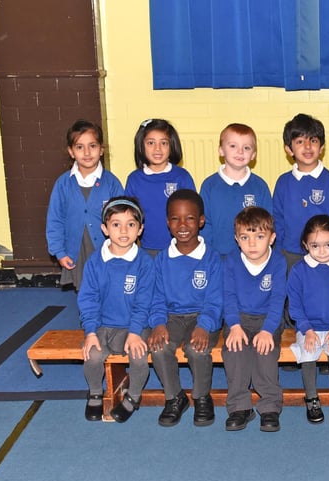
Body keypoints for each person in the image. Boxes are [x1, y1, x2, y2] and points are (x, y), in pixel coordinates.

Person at [148, 189, 223, 427]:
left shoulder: (212, 259)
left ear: (201, 221)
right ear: (167, 222)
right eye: (175, 218)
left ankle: (202, 397)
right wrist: (158, 323)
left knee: (196, 349)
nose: (182, 224)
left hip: (203, 317)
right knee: (159, 347)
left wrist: (204, 326)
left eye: (190, 218)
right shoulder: (161, 260)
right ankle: (175, 397)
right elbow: (156, 297)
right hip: (172, 317)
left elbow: (215, 300)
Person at [77, 197, 154, 422]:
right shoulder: (94, 262)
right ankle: (94, 392)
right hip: (103, 325)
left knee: (139, 357)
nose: (123, 231)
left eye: (130, 224)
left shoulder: (144, 263)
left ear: (140, 229)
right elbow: (88, 299)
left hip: (135, 326)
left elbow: (144, 301)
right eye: (116, 224)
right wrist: (90, 332)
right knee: (92, 356)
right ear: (104, 228)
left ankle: (133, 397)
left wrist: (135, 333)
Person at [287, 215, 329, 425]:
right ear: (305, 245)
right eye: (315, 245)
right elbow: (295, 307)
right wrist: (307, 330)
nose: (322, 251)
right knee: (308, 354)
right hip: (308, 327)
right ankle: (311, 398)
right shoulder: (299, 271)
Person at [222, 207, 286, 432]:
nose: (252, 244)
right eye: (245, 237)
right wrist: (235, 326)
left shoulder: (278, 262)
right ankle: (240, 406)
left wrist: (268, 330)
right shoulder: (231, 261)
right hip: (238, 318)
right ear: (236, 239)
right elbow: (228, 296)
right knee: (235, 350)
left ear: (272, 238)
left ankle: (269, 406)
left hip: (267, 319)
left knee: (264, 351)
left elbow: (278, 300)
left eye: (259, 237)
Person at [46, 120, 124, 290]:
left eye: (93, 146)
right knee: (84, 292)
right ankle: (89, 317)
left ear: (101, 149)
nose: (87, 152)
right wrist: (59, 251)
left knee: (109, 290)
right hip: (77, 249)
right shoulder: (63, 184)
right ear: (71, 152)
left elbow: (123, 219)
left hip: (107, 249)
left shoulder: (111, 183)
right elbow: (55, 220)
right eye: (80, 147)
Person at [273, 113, 329, 272]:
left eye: (313, 140)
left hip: (326, 256)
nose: (307, 146)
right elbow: (277, 221)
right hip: (291, 255)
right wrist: (277, 255)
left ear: (321, 148)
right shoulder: (283, 183)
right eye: (300, 141)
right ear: (289, 149)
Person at [200, 123, 273, 257]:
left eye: (246, 148)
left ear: (253, 155)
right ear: (221, 150)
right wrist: (208, 255)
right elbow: (205, 225)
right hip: (218, 257)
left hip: (251, 257)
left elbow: (268, 223)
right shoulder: (209, 185)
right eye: (233, 146)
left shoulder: (260, 186)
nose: (240, 152)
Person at [125, 118, 196, 255]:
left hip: (179, 248)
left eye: (163, 143)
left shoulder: (182, 177)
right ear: (141, 145)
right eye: (151, 143)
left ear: (172, 145)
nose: (157, 149)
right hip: (147, 249)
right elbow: (129, 217)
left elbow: (193, 213)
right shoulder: (134, 179)